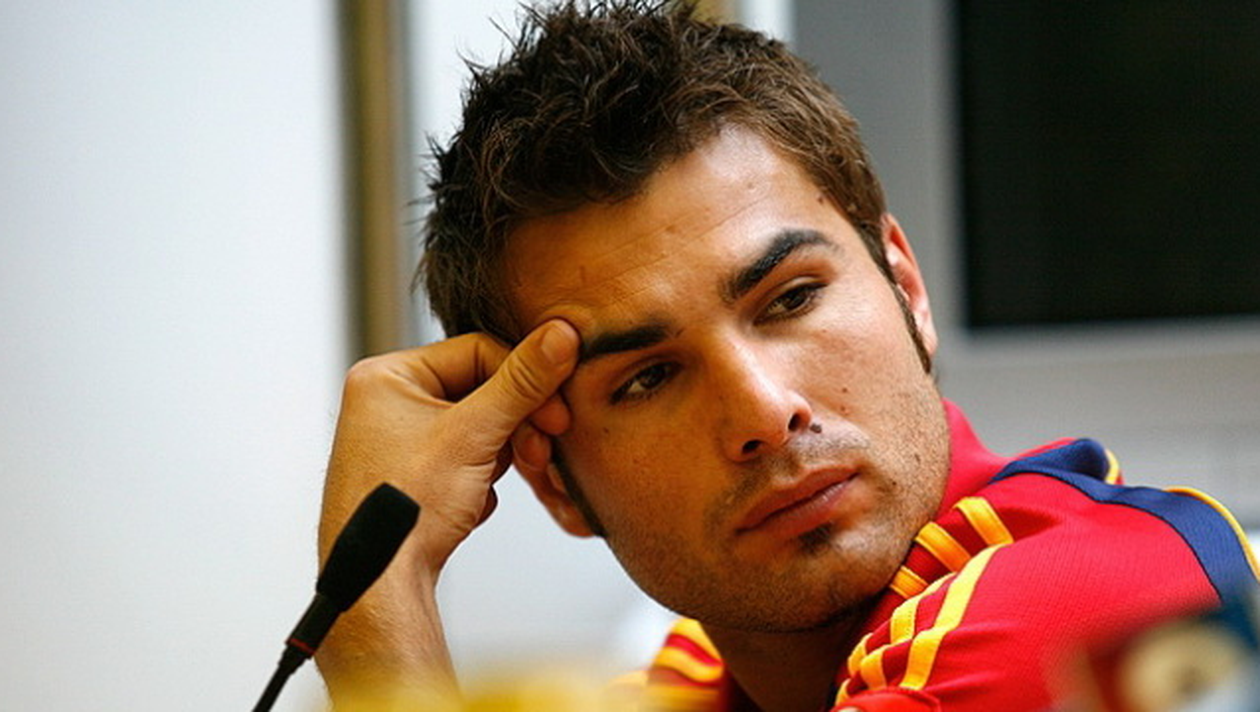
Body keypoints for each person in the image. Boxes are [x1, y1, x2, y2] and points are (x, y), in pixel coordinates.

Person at [313, 2, 1259, 710]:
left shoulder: (1090, 607)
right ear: (555, 481)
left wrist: (376, 607)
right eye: (648, 377)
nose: (765, 414)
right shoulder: (700, 672)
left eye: (792, 299)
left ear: (906, 287)